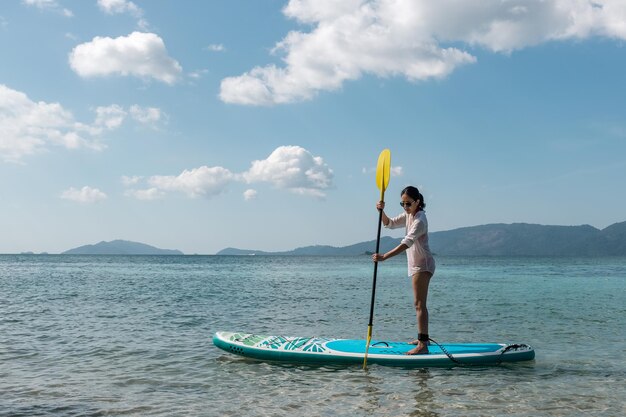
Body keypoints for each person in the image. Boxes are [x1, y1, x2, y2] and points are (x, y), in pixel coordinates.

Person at [371, 186, 435, 355]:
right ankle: (424, 338)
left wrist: (384, 256)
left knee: (419, 304)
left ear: (418, 202)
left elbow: (407, 242)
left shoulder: (420, 220)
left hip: (423, 264)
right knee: (418, 304)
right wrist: (381, 211)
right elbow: (389, 224)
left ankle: (422, 345)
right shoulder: (408, 215)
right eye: (403, 204)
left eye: (408, 204)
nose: (405, 207)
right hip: (416, 264)